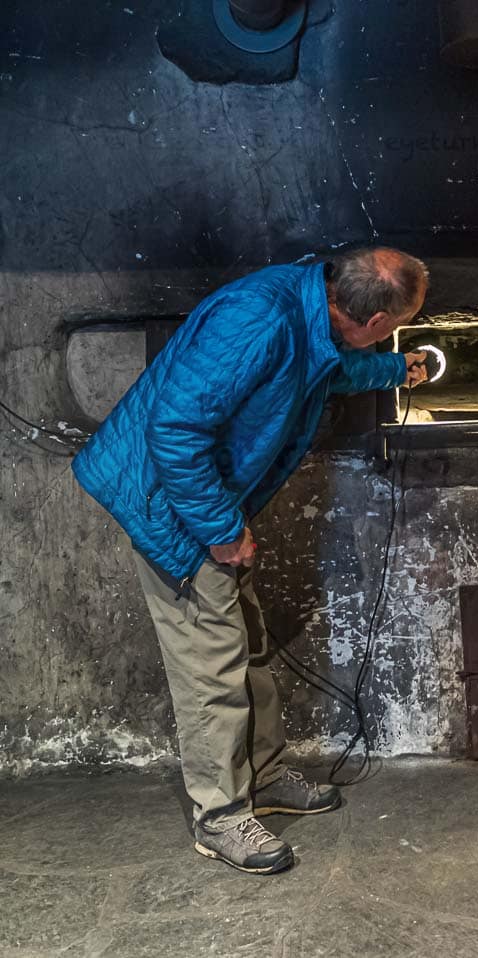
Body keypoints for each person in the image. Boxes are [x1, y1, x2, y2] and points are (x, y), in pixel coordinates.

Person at [73, 247, 432, 875]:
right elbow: (175, 431)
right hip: (168, 502)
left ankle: (263, 775)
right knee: (211, 664)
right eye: (395, 331)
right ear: (374, 323)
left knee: (251, 643)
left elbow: (326, 370)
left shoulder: (311, 305)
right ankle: (220, 817)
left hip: (208, 500)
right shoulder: (258, 320)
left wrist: (395, 371)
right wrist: (219, 532)